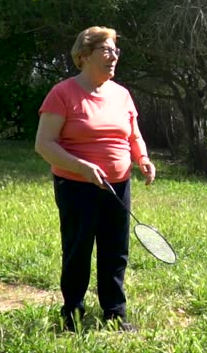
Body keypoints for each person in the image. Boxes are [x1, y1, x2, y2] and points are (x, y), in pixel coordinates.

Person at [35, 26, 156, 333]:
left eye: (116, 50)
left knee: (116, 251)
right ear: (85, 55)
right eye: (106, 50)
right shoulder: (62, 93)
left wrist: (142, 158)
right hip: (76, 186)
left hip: (118, 184)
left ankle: (115, 314)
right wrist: (82, 167)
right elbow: (44, 144)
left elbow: (133, 134)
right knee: (78, 250)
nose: (113, 56)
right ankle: (72, 316)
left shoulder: (122, 95)